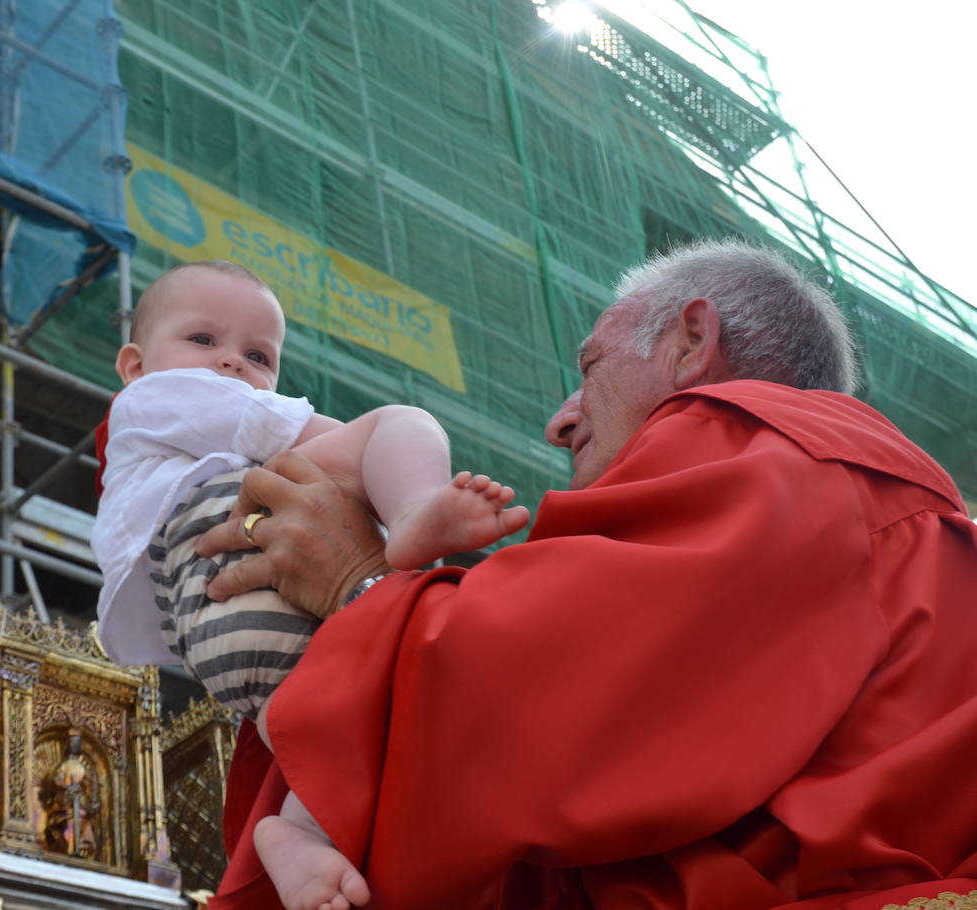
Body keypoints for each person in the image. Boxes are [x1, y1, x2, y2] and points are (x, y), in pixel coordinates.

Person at [195, 239, 977, 909]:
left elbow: (537, 726)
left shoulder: (778, 453)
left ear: (690, 340)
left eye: (591, 366)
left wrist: (357, 591)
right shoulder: (871, 508)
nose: (560, 420)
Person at [93, 260, 529, 910]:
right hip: (231, 537)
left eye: (258, 355)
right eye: (203, 341)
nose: (231, 365)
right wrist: (382, 494)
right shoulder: (159, 397)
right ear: (134, 365)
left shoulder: (159, 427)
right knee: (400, 423)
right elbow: (332, 445)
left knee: (348, 732)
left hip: (217, 633)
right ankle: (415, 511)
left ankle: (299, 830)